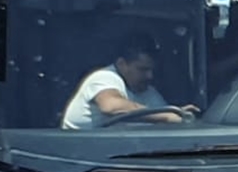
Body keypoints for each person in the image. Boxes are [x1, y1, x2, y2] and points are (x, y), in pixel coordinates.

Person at [60, 33, 199, 129]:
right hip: (79, 158)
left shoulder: (147, 92)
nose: (150, 76)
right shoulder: (104, 77)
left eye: (151, 70)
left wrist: (180, 116)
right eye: (142, 70)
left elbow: (165, 120)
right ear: (121, 64)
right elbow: (111, 106)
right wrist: (167, 116)